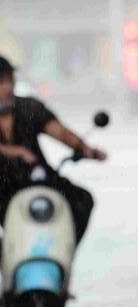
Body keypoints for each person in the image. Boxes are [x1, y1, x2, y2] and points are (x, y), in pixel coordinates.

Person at [0, 55, 106, 243]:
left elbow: (60, 132)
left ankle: (63, 250)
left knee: (82, 200)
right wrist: (16, 152)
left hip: (37, 180)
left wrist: (86, 148)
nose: (7, 88)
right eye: (1, 82)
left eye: (10, 81)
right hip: (3, 187)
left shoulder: (28, 107)